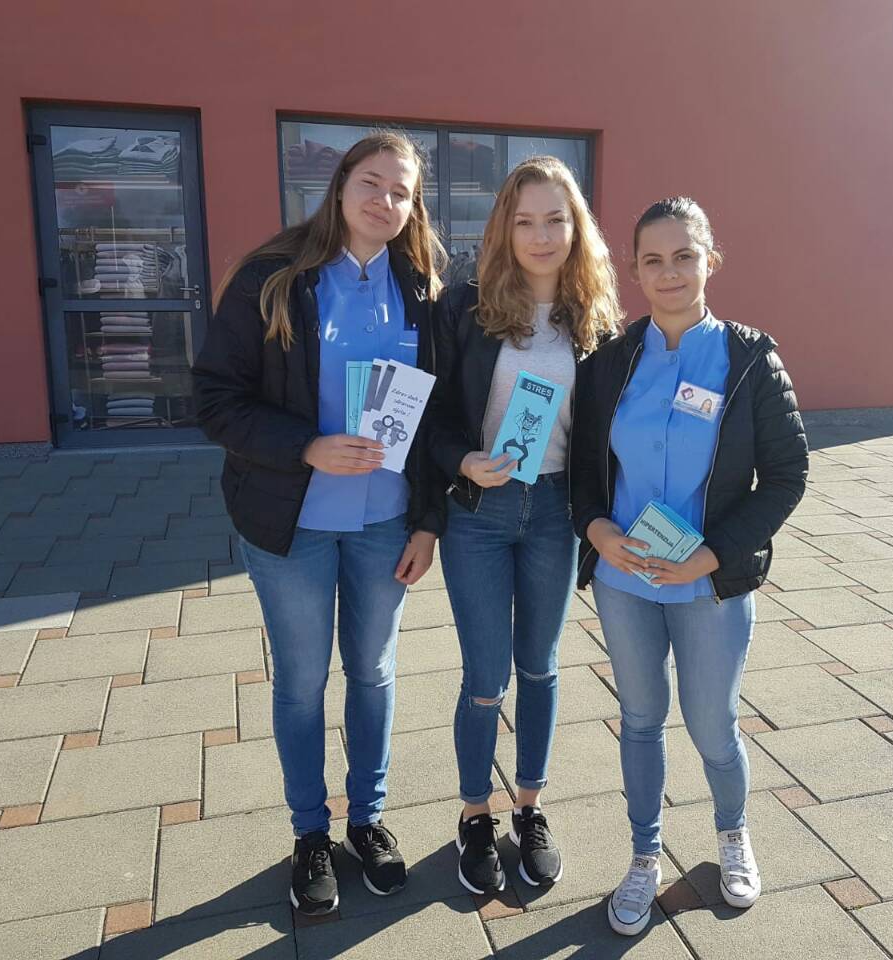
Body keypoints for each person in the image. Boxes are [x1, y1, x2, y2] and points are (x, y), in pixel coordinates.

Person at [192, 131, 447, 915]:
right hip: (291, 525)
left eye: (402, 192)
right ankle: (310, 832)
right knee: (303, 682)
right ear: (339, 186)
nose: (385, 201)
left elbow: (439, 420)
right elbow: (214, 401)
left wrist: (428, 523)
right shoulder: (274, 278)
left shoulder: (422, 288)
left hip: (385, 523)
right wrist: (306, 446)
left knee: (373, 672)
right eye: (372, 183)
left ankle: (367, 820)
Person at [571, 197, 808, 935]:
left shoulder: (750, 359)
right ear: (635, 271)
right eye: (653, 259)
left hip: (710, 584)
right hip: (626, 582)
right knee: (641, 721)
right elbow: (583, 473)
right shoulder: (609, 364)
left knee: (712, 725)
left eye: (684, 256)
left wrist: (714, 553)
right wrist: (597, 530)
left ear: (711, 261)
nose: (669, 272)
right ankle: (645, 855)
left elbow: (788, 475)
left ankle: (732, 834)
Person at [430, 156, 622, 894]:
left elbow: (608, 435)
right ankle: (475, 813)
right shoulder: (467, 309)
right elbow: (435, 419)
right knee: (486, 675)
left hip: (552, 512)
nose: (541, 236)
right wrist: (462, 460)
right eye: (526, 221)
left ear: (577, 229)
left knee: (539, 666)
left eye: (556, 220)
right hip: (478, 513)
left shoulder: (595, 322)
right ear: (504, 230)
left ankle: (529, 808)